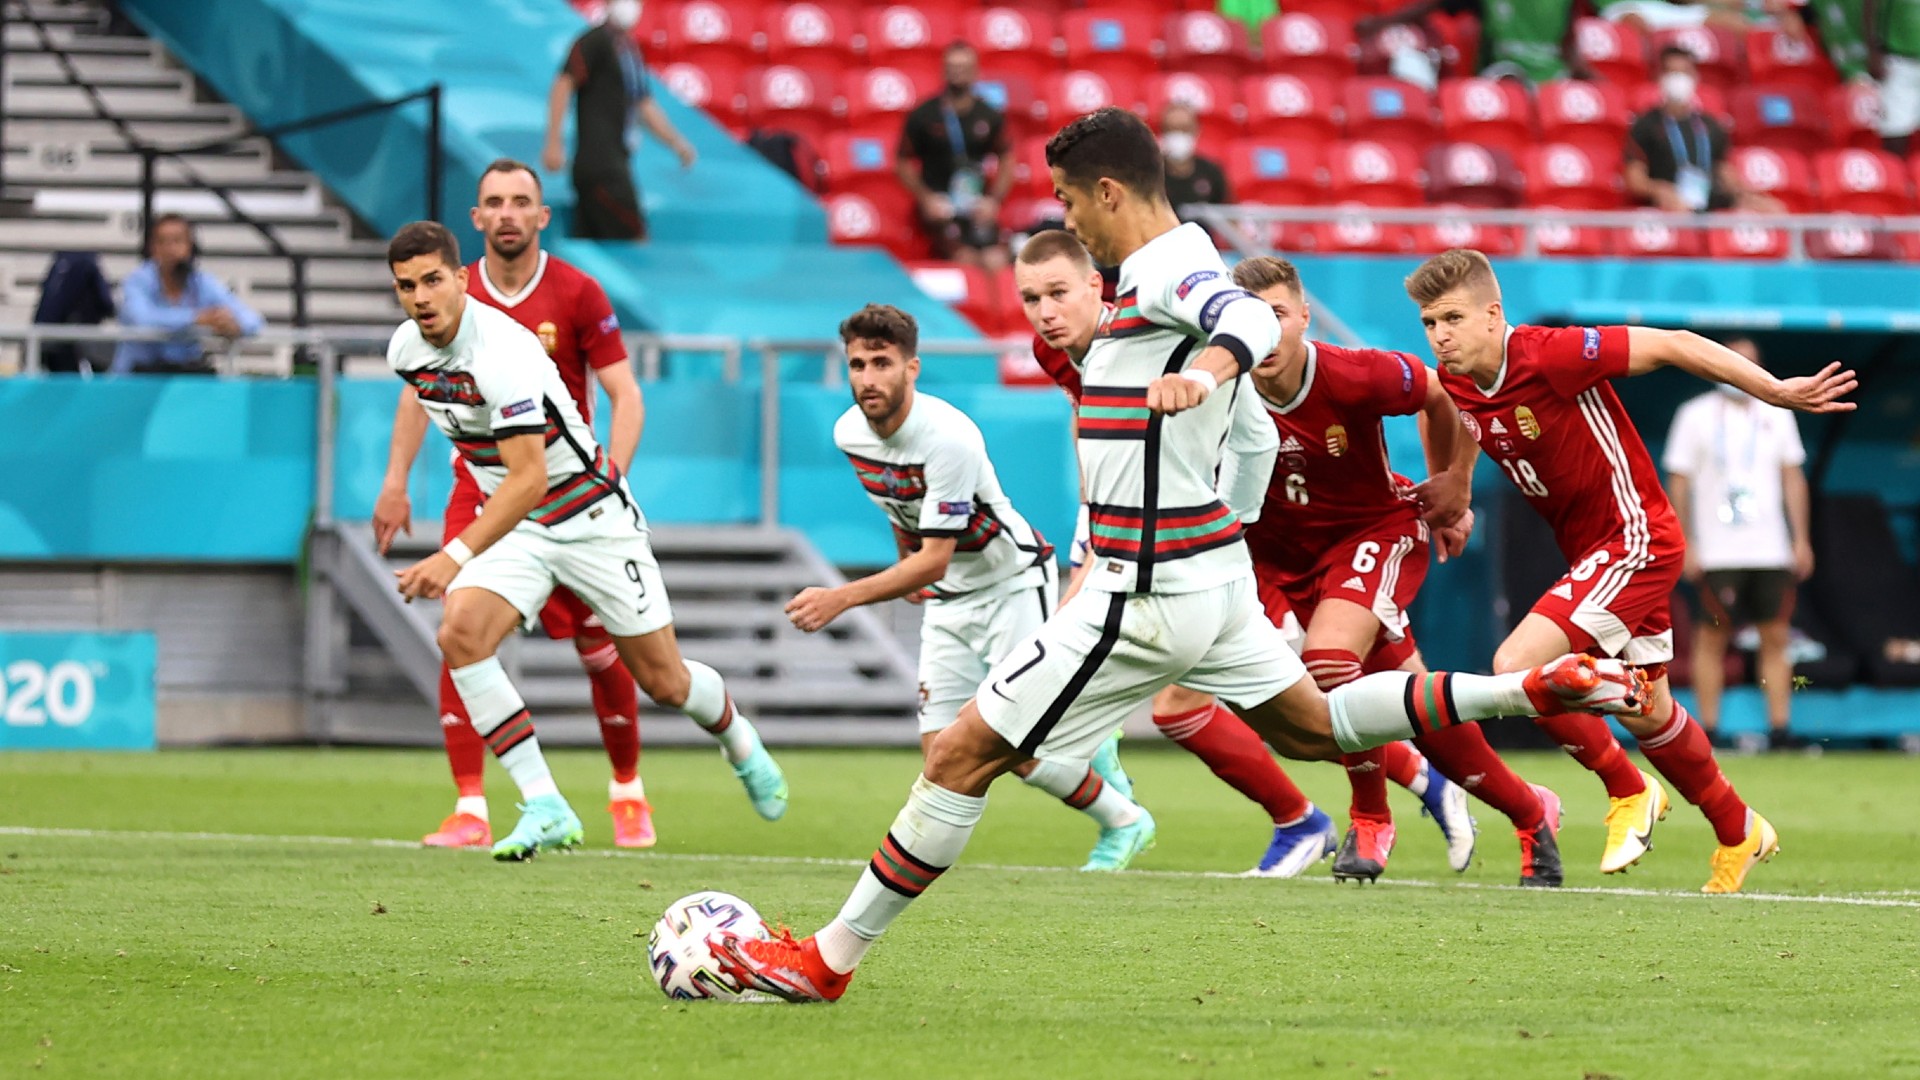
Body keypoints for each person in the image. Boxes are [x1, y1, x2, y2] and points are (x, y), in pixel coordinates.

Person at [711, 108, 1649, 1003]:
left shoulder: (1169, 272)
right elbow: (1251, 439)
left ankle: (826, 961)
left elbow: (1245, 324)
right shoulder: (1159, 272)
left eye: (1069, 201)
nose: (1067, 220)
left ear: (1108, 192)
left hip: (1142, 590)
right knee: (1313, 727)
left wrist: (1203, 372)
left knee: (959, 754)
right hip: (1209, 578)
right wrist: (1225, 511)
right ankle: (1527, 688)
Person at [1016, 229, 1480, 881]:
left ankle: (1392, 801)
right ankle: (1345, 806)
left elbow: (1260, 437)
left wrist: (1454, 488)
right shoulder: (1058, 351)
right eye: (1031, 298)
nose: (1045, 312)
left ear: (1098, 285)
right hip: (1209, 539)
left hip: (1231, 539)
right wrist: (1094, 520)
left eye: (1058, 293)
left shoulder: (1188, 339)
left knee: (1323, 681)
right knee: (1210, 706)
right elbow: (1088, 415)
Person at [1403, 247, 1855, 893]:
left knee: (1515, 667)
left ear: (1493, 314)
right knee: (1651, 714)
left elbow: (1674, 344)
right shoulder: (1461, 377)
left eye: (1452, 318)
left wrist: (1776, 392)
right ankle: (1738, 829)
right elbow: (1456, 413)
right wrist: (1456, 484)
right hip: (1594, 552)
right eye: (1429, 322)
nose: (1440, 335)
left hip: (1636, 538)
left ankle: (1627, 787)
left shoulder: (1550, 353)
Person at [382, 220, 788, 861]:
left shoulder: (504, 353)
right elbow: (425, 402)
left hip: (590, 517)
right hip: (518, 524)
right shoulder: (406, 349)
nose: (421, 296)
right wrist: (395, 480)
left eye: (433, 280)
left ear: (461, 279)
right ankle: (544, 804)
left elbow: (529, 478)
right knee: (461, 634)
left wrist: (452, 555)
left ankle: (738, 738)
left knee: (665, 682)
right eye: (407, 286)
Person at [1233, 255, 1567, 887]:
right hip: (1277, 560)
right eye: (1248, 318)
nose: (1265, 332)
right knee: (1413, 714)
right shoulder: (1221, 387)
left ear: (1303, 316)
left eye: (1276, 314)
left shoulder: (1355, 373)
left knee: (1329, 665)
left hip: (1371, 533)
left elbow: (1446, 392)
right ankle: (1530, 810)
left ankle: (1370, 817)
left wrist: (1454, 484)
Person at [786, 303, 1156, 872]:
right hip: (949, 600)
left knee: (1015, 746)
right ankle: (925, 872)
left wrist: (841, 596)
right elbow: (899, 501)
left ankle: (1123, 818)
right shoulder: (849, 433)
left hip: (1010, 585)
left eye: (882, 363)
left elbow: (934, 560)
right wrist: (902, 557)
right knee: (941, 757)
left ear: (911, 368)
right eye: (857, 365)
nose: (868, 378)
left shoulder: (948, 437)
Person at [374, 160, 656, 850]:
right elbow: (418, 391)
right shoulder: (440, 294)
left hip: (567, 492)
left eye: (520, 201)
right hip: (479, 488)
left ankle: (627, 791)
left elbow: (625, 393)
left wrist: (611, 478)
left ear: (540, 215)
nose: (507, 213)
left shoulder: (577, 292)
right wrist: (395, 480)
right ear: (476, 218)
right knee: (459, 630)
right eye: (494, 202)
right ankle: (471, 806)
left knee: (602, 645)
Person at [1662, 336, 1815, 752]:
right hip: (1717, 551)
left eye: (1750, 363)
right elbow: (1679, 482)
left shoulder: (1778, 413)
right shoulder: (1694, 415)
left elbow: (1792, 478)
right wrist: (1686, 542)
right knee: (1711, 637)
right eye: (1735, 362)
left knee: (1776, 638)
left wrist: (1801, 539)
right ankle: (1708, 730)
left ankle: (1779, 729)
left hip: (1770, 549)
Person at [541, 0, 696, 241]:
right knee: (633, 238)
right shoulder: (594, 41)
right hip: (601, 165)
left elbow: (643, 104)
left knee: (592, 244)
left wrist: (676, 142)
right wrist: (553, 142)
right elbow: (563, 84)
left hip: (618, 158)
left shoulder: (629, 50)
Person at [1625, 46, 1787, 214]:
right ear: (1660, 77)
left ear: (1695, 77)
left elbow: (1723, 169)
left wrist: (1745, 193)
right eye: (1672, 72)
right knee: (1681, 211)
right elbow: (1635, 179)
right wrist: (1659, 189)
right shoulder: (1645, 125)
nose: (1678, 79)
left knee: (1772, 209)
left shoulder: (1710, 125)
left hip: (1709, 197)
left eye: (1684, 72)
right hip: (1670, 200)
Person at [896, 42, 1014, 270]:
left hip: (976, 205)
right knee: (966, 259)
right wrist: (926, 198)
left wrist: (994, 200)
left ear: (976, 71)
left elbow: (1007, 158)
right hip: (941, 209)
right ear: (943, 70)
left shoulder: (989, 115)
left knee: (996, 260)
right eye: (952, 67)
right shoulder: (924, 115)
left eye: (964, 67)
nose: (958, 72)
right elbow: (902, 161)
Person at [111, 213, 264, 374]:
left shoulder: (201, 282)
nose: (170, 249)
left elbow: (253, 320)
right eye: (162, 242)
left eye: (177, 241)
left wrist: (234, 325)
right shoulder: (137, 281)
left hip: (185, 375)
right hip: (138, 376)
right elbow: (142, 320)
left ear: (191, 247)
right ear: (152, 248)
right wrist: (196, 318)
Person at [1357, 0, 1590, 84]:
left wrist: (1597, 82)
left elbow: (1568, 47)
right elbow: (1437, 4)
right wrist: (1384, 22)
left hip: (1551, 81)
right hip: (1503, 75)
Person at [1158, 104, 1231, 225]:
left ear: (1196, 130)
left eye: (1184, 129)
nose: (1178, 135)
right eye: (1171, 129)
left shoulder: (1211, 172)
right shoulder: (1150, 175)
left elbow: (1229, 214)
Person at [1873, 0, 1920, 155]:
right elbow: (1871, 5)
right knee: (1895, 129)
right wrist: (1873, 50)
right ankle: (1894, 168)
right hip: (1898, 59)